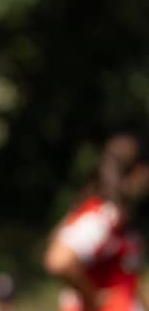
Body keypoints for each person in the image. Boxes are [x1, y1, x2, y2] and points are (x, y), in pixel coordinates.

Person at [44, 133, 149, 311]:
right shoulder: (103, 217)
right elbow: (59, 261)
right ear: (140, 170)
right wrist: (93, 298)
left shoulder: (119, 218)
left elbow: (128, 283)